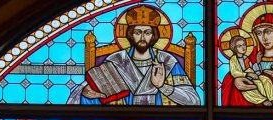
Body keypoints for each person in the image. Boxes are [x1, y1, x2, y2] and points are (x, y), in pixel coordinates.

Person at [71, 5, 199, 106]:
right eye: (137, 32)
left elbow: (193, 101)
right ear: (131, 35)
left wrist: (163, 86)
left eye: (147, 33)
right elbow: (90, 99)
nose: (142, 37)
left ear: (154, 36)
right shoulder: (115, 61)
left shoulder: (167, 62)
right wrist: (86, 93)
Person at [226, 33, 273, 105]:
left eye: (244, 44)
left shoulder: (246, 58)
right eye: (239, 46)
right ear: (234, 48)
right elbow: (234, 72)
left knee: (266, 79)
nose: (243, 47)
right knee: (257, 84)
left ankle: (272, 98)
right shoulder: (233, 59)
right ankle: (263, 100)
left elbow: (252, 69)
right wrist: (247, 74)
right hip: (244, 79)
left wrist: (257, 62)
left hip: (252, 77)